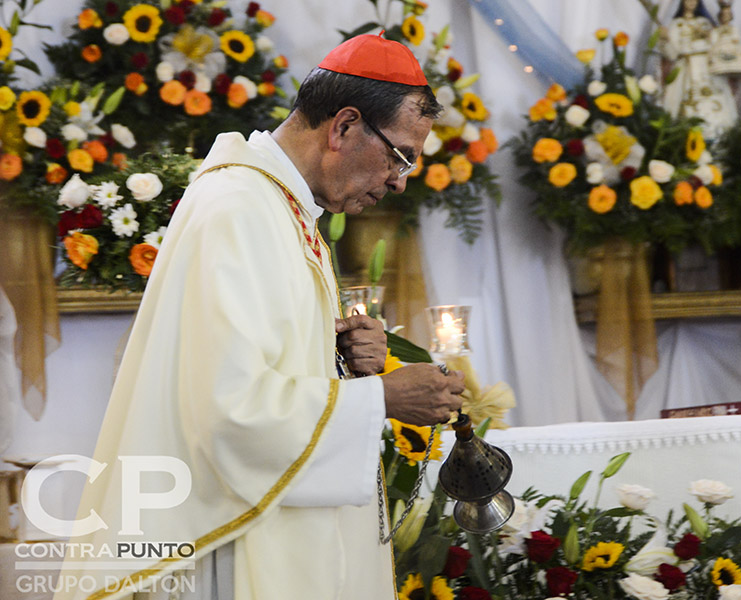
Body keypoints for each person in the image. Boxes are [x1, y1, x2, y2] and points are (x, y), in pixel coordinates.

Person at [54, 34, 464, 600]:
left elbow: (272, 369)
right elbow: (230, 411)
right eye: (400, 156)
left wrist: (344, 359)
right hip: (238, 548)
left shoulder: (283, 209)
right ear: (344, 127)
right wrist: (384, 399)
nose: (400, 179)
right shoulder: (237, 209)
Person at [658, 0, 738, 138]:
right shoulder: (676, 25)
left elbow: (717, 44)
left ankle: (719, 135)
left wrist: (721, 29)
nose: (691, 3)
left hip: (707, 68)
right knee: (686, 104)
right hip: (686, 68)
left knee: (715, 100)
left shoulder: (704, 22)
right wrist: (665, 39)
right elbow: (672, 54)